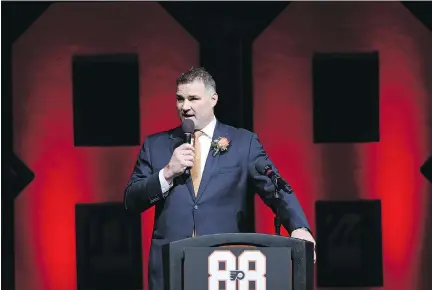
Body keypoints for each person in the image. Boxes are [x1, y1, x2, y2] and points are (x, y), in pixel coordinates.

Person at [124, 67, 316, 290]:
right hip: (170, 269)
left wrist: (299, 227)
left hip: (224, 266)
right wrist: (166, 173)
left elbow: (275, 188)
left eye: (193, 98)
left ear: (213, 99)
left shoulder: (243, 143)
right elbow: (131, 200)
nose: (185, 107)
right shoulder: (155, 145)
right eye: (180, 99)